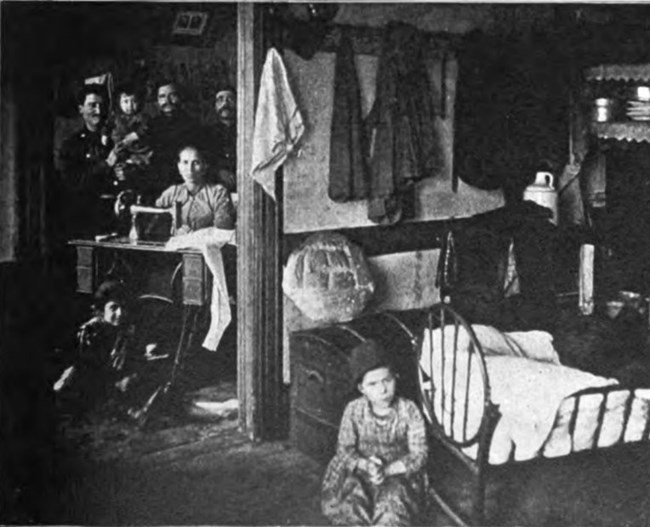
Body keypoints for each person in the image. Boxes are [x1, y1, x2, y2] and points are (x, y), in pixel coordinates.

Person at [321, 339, 430, 526]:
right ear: (362, 389)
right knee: (351, 504)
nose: (382, 389)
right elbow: (345, 449)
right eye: (372, 384)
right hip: (359, 470)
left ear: (395, 378)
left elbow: (419, 454)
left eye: (387, 380)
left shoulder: (408, 409)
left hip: (397, 472)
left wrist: (387, 470)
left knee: (392, 509)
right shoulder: (354, 409)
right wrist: (366, 465)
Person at [54, 280, 135, 417]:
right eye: (113, 308)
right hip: (89, 374)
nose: (120, 313)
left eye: (123, 308)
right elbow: (86, 362)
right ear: (102, 309)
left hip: (112, 375)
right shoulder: (92, 330)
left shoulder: (126, 330)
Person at [58, 85, 123, 237]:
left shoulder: (117, 139)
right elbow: (74, 182)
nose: (98, 111)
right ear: (81, 109)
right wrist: (106, 164)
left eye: (101, 106)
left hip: (117, 217)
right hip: (87, 219)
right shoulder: (72, 145)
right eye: (92, 105)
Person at [155, 144, 235, 233]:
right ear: (178, 166)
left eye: (196, 163)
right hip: (178, 245)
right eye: (185, 162)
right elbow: (157, 221)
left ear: (205, 166)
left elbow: (223, 229)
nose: (190, 169)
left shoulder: (218, 192)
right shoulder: (172, 193)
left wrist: (193, 235)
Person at [147, 81, 201, 200]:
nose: (167, 101)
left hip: (184, 183)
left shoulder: (193, 125)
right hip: (156, 182)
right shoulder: (151, 125)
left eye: (172, 95)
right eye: (162, 97)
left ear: (180, 97)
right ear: (157, 101)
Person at [107, 81, 153, 192]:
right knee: (118, 164)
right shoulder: (116, 117)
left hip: (137, 148)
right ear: (119, 102)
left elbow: (146, 128)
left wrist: (135, 135)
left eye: (134, 101)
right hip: (120, 147)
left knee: (140, 162)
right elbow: (108, 125)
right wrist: (104, 134)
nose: (130, 106)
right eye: (126, 101)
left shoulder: (142, 117)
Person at [206, 85, 237, 192]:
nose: (225, 104)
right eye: (220, 100)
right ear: (215, 106)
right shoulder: (207, 133)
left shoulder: (246, 131)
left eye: (230, 99)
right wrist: (219, 172)